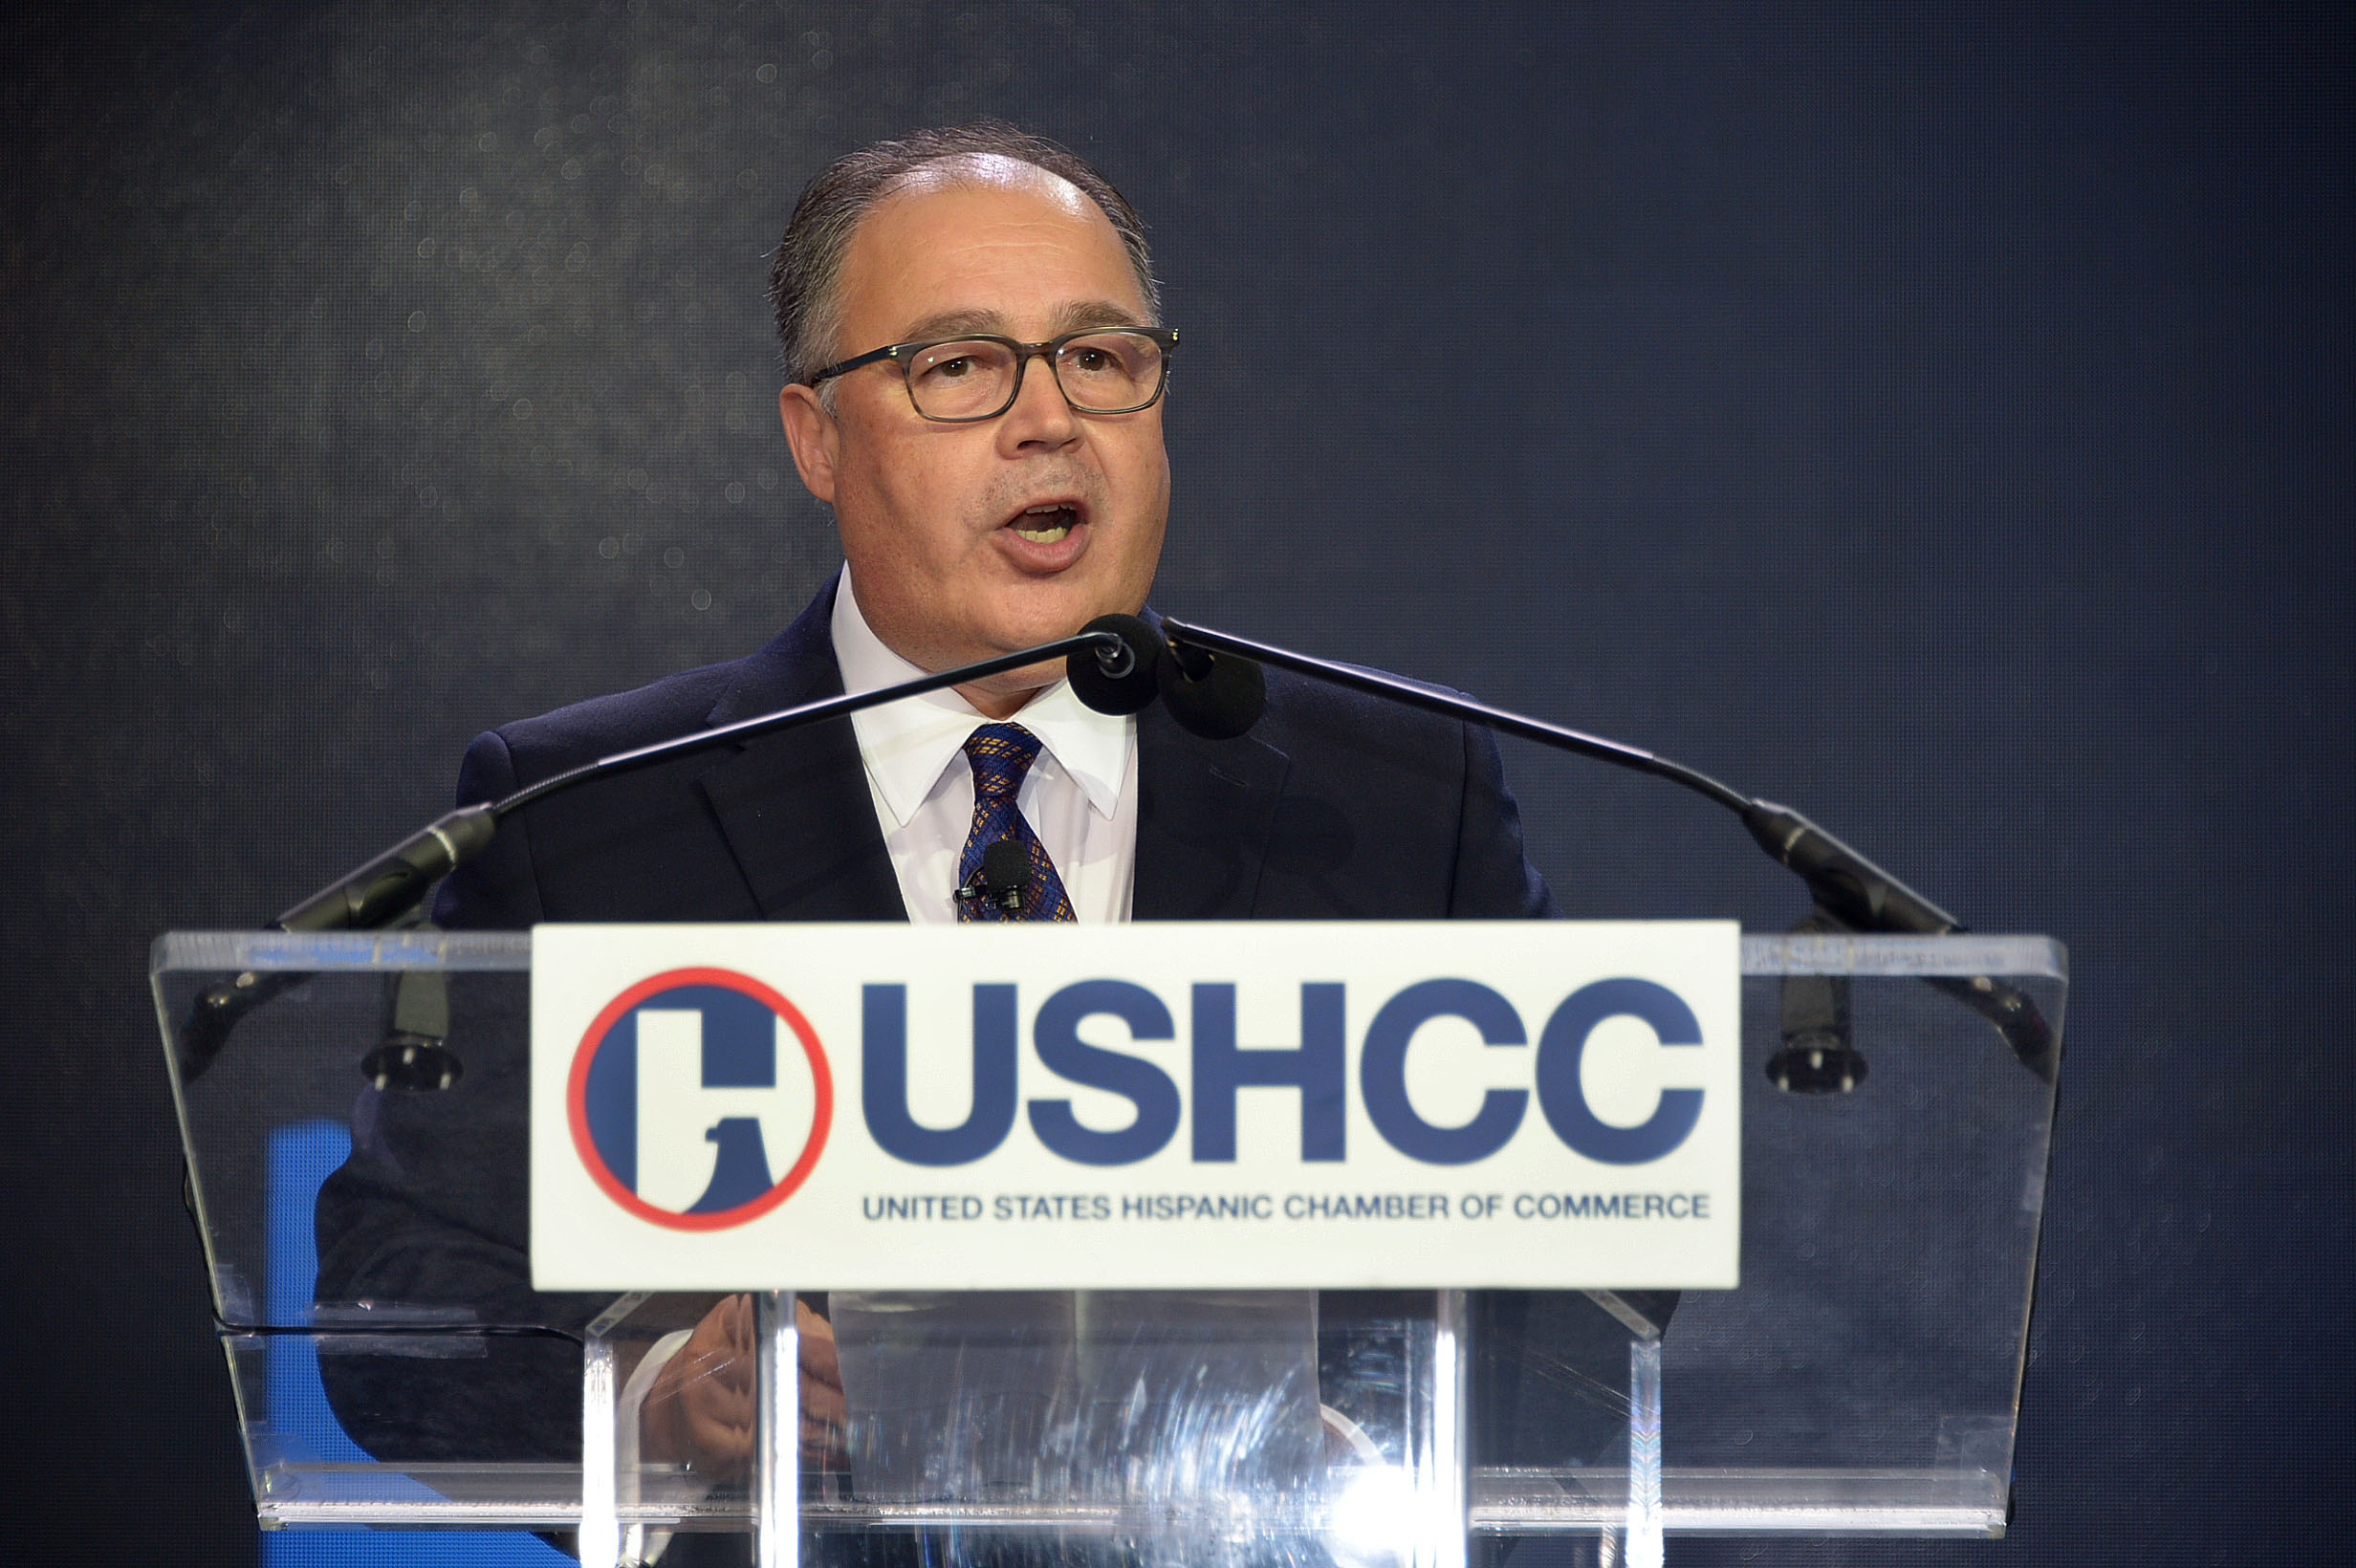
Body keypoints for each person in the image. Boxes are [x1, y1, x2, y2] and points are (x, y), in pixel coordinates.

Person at [316, 122, 1638, 1556]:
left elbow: (1583, 1278)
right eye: (959, 367)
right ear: (816, 436)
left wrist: (1376, 1442)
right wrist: (658, 1404)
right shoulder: (589, 817)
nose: (1049, 418)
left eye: (1102, 358)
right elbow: (405, 1300)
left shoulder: (1394, 792)